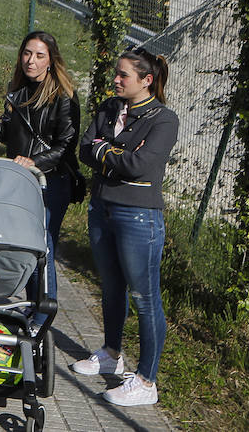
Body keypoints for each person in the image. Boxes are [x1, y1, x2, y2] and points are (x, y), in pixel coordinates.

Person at [71, 50, 177, 408]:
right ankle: (111, 353)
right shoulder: (108, 108)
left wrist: (106, 152)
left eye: (124, 76)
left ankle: (147, 380)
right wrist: (110, 153)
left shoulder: (163, 120)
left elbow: (141, 165)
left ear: (146, 80)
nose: (116, 80)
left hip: (139, 216)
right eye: (116, 74)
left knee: (145, 298)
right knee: (111, 287)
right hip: (101, 208)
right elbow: (85, 150)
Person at [0, 31, 82, 305]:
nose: (30, 61)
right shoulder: (18, 91)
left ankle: (44, 309)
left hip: (52, 180)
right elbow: (9, 135)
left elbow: (66, 145)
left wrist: (35, 162)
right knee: (23, 245)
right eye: (26, 53)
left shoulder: (64, 96)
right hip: (22, 179)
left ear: (51, 61)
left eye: (38, 55)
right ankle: (31, 304)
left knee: (42, 246)